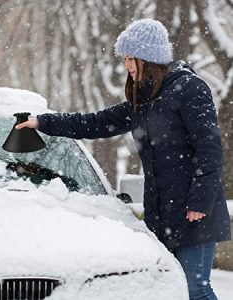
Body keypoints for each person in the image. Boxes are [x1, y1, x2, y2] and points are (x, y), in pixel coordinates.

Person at [15, 19, 231, 299]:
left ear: (149, 58)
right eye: (125, 58)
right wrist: (41, 122)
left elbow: (210, 149)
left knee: (196, 290)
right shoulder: (143, 100)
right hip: (163, 213)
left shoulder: (190, 89)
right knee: (171, 292)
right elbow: (93, 123)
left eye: (131, 58)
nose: (127, 65)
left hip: (194, 212)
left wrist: (199, 202)